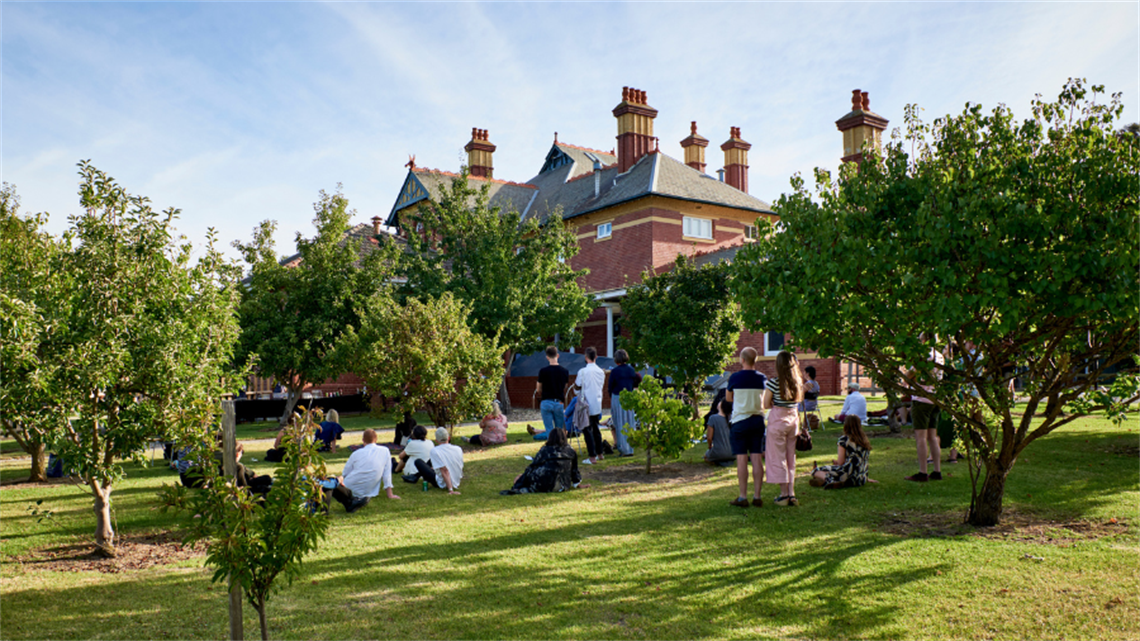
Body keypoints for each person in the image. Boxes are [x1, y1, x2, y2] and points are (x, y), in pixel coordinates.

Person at [726, 347, 767, 508]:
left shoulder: (735, 377)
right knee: (757, 458)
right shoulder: (762, 378)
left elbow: (729, 398)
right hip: (757, 420)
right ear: (755, 360)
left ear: (742, 360)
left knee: (741, 459)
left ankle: (743, 496)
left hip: (740, 420)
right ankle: (757, 495)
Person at [763, 351, 804, 507]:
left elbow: (766, 404)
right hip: (793, 421)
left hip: (778, 421)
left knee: (778, 457)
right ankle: (792, 493)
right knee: (790, 458)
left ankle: (783, 494)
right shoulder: (798, 382)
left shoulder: (773, 383)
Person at [326, 428, 400, 513]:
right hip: (368, 490)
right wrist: (390, 494)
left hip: (350, 487)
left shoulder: (356, 453)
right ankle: (352, 503)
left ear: (363, 440)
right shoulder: (385, 451)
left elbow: (345, 473)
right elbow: (387, 474)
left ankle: (348, 503)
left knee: (331, 481)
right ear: (376, 439)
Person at [501, 428, 584, 494]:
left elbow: (533, 466)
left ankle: (522, 487)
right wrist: (577, 483)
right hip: (562, 485)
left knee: (519, 478)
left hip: (543, 483)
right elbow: (574, 470)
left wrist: (521, 480)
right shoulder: (571, 451)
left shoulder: (545, 450)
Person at [906, 345, 945, 482]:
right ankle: (937, 470)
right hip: (935, 398)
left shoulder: (922, 355)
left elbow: (909, 375)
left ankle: (923, 472)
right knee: (932, 436)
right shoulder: (940, 355)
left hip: (921, 398)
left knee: (921, 437)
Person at [810, 415, 872, 489]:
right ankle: (828, 479)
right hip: (860, 478)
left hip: (846, 475)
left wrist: (836, 463)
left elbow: (840, 462)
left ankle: (829, 480)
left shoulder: (844, 440)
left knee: (816, 471)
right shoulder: (864, 441)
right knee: (832, 470)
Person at [528, 346, 570, 441]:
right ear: (558, 355)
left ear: (547, 357)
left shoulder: (543, 371)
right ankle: (560, 446)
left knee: (549, 429)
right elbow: (565, 386)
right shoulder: (565, 371)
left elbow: (538, 389)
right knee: (559, 428)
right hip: (559, 402)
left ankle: (550, 447)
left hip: (546, 401)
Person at [574, 347, 607, 465]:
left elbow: (577, 386)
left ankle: (592, 455)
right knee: (596, 428)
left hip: (585, 403)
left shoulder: (582, 371)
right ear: (596, 357)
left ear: (586, 357)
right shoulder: (601, 372)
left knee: (587, 430)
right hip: (597, 403)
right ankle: (600, 453)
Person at [608, 348, 641, 457]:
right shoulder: (631, 370)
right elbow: (636, 382)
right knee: (629, 422)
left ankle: (623, 448)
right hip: (629, 397)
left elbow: (610, 386)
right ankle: (630, 448)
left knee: (619, 423)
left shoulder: (615, 371)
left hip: (618, 397)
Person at [414, 427, 464, 495]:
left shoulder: (435, 451)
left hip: (442, 483)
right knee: (431, 463)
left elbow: (445, 471)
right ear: (448, 438)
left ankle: (415, 476)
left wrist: (450, 490)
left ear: (436, 440)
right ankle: (414, 476)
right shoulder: (458, 449)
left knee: (418, 462)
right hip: (456, 481)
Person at [704, 397, 734, 467]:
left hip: (718, 451)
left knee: (706, 455)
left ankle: (717, 460)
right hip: (733, 453)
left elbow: (709, 438)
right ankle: (726, 460)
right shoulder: (732, 419)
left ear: (722, 405)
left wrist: (710, 447)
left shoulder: (713, 418)